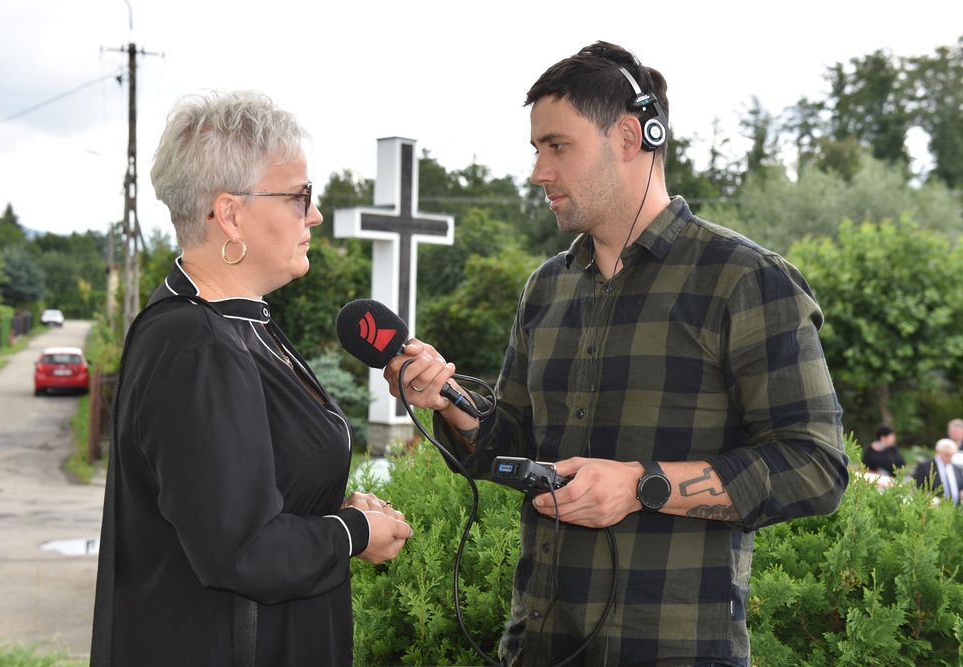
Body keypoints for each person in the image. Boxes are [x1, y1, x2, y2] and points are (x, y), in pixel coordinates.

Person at [381, 41, 848, 666]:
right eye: (536, 149)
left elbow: (815, 465)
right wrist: (449, 402)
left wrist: (642, 486)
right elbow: (509, 443)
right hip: (537, 645)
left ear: (631, 136)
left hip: (673, 650)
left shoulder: (743, 280)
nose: (538, 172)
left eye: (557, 146)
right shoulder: (546, 287)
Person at [90, 90, 412, 666]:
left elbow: (230, 491)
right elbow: (242, 551)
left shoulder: (236, 324)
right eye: (298, 196)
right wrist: (352, 534)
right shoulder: (200, 345)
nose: (313, 214)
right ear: (230, 213)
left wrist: (335, 508)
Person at [912, 438, 963, 505]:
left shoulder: (957, 469)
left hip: (957, 508)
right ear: (938, 452)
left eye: (952, 455)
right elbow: (918, 488)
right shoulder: (925, 467)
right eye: (947, 455)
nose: (949, 458)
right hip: (935, 508)